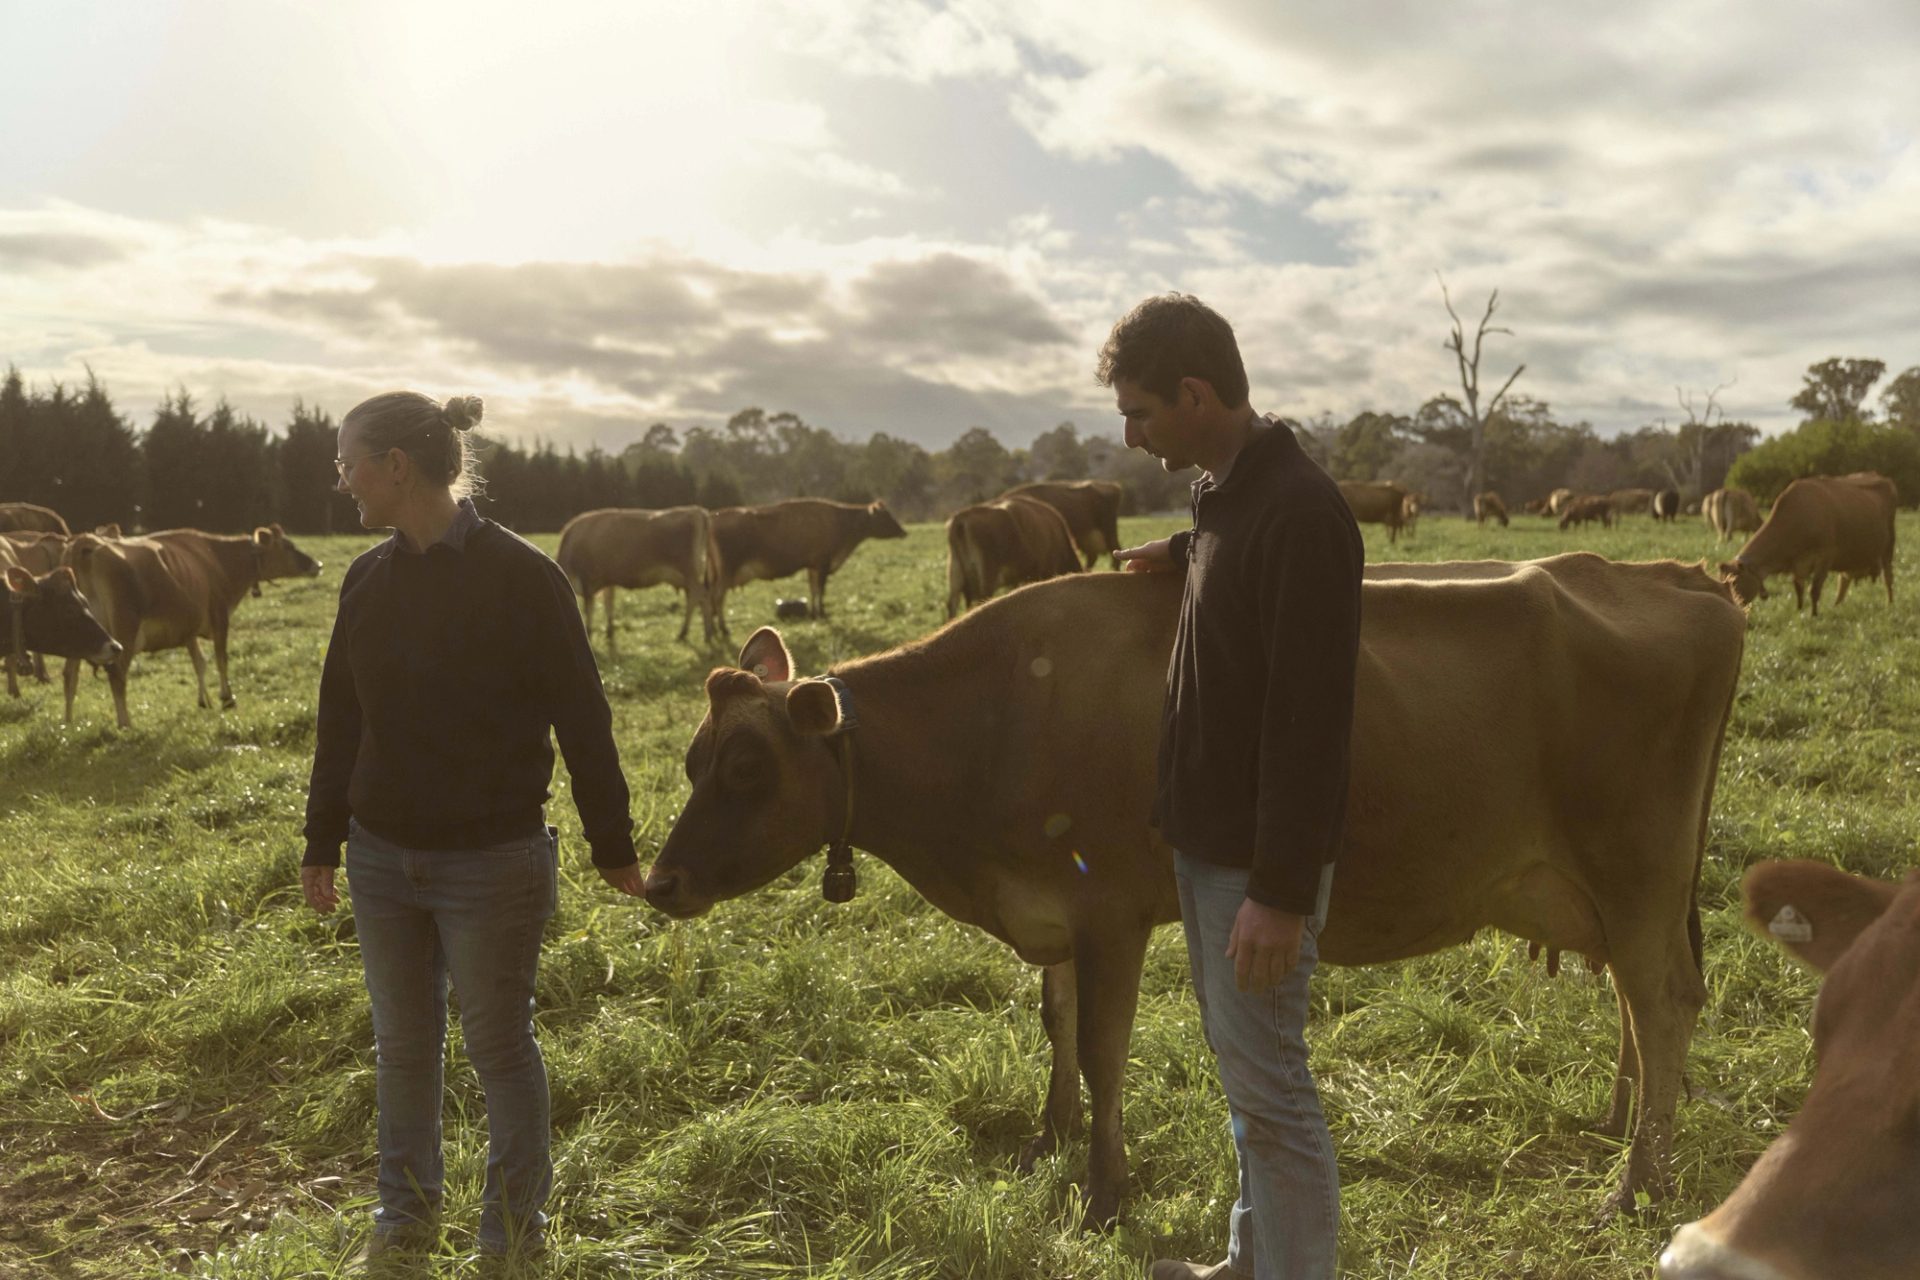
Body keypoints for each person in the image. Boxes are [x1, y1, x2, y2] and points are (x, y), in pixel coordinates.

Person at [299, 391, 643, 1271]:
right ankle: (404, 1213)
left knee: (497, 1044)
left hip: (494, 863)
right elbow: (340, 719)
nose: (341, 483)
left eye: (347, 464)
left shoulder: (525, 577)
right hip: (380, 859)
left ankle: (511, 1233)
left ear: (396, 467)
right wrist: (321, 843)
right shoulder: (364, 578)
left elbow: (585, 718)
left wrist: (614, 845)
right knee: (403, 1046)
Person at [1102, 296, 1363, 1280]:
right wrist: (1177, 553)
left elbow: (1311, 723)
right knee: (1246, 1080)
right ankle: (1253, 1260)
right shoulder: (1230, 495)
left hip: (1253, 868)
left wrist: (1281, 890)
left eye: (1142, 412)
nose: (1132, 435)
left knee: (1276, 1095)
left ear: (1197, 394)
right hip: (1208, 845)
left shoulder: (1299, 511)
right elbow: (1237, 570)